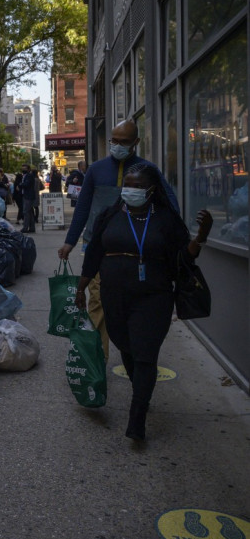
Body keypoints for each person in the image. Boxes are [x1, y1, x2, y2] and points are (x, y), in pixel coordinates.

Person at [74, 163, 212, 440]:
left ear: (151, 190)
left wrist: (201, 236)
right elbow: (93, 254)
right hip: (114, 295)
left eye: (137, 186)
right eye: (128, 184)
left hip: (154, 297)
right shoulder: (110, 215)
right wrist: (82, 287)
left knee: (145, 354)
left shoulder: (165, 219)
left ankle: (137, 416)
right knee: (125, 346)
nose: (130, 190)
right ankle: (141, 389)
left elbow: (183, 258)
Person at [58, 119, 179, 360]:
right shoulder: (96, 170)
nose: (118, 146)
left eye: (124, 142)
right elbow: (83, 208)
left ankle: (134, 355)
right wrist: (70, 241)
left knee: (129, 307)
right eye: (114, 141)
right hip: (101, 249)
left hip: (138, 253)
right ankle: (96, 361)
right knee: (97, 305)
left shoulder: (148, 171)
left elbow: (170, 206)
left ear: (136, 142)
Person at [20, 165, 36, 233]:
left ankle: (25, 228)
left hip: (28, 196)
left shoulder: (29, 176)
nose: (23, 170)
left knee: (26, 212)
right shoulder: (26, 175)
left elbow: (27, 184)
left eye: (25, 168)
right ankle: (32, 227)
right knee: (29, 212)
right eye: (23, 168)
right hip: (27, 195)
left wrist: (20, 185)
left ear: (28, 169)